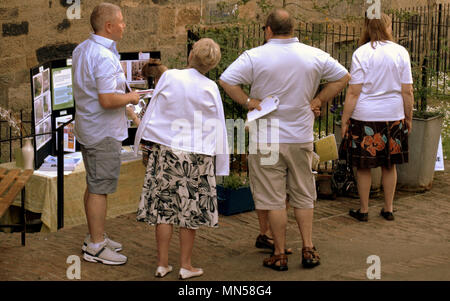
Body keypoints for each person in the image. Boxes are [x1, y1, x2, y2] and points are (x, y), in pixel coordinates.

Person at [219, 8, 350, 271]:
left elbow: (226, 80)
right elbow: (343, 76)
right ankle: (308, 248)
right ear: (293, 30)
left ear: (268, 30)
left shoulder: (255, 56)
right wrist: (319, 99)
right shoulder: (312, 55)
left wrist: (249, 101)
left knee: (273, 198)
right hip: (300, 135)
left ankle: (279, 253)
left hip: (266, 137)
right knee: (303, 194)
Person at [133, 38, 229, 279]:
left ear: (190, 55)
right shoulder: (210, 88)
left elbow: (154, 108)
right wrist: (221, 161)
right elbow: (219, 125)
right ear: (212, 65)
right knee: (189, 212)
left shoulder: (169, 77)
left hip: (167, 150)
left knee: (164, 211)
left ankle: (162, 264)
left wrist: (141, 138)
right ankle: (186, 265)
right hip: (198, 154)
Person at [72, 2, 140, 265]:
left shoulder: (83, 48)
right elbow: (107, 99)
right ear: (109, 26)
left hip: (90, 128)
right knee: (100, 188)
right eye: (121, 21)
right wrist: (131, 97)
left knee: (94, 184)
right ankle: (96, 247)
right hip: (102, 132)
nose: (124, 25)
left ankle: (95, 236)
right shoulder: (101, 55)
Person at [341, 13, 414, 222]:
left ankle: (363, 210)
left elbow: (353, 92)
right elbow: (407, 91)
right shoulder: (400, 52)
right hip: (393, 115)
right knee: (389, 165)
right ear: (388, 26)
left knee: (363, 166)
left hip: (365, 115)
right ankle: (388, 209)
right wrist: (408, 117)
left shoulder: (360, 53)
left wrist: (345, 120)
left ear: (366, 27)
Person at [125, 59, 168, 167]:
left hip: (155, 151)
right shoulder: (165, 95)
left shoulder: (158, 98)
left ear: (153, 80)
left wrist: (132, 115)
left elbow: (146, 129)